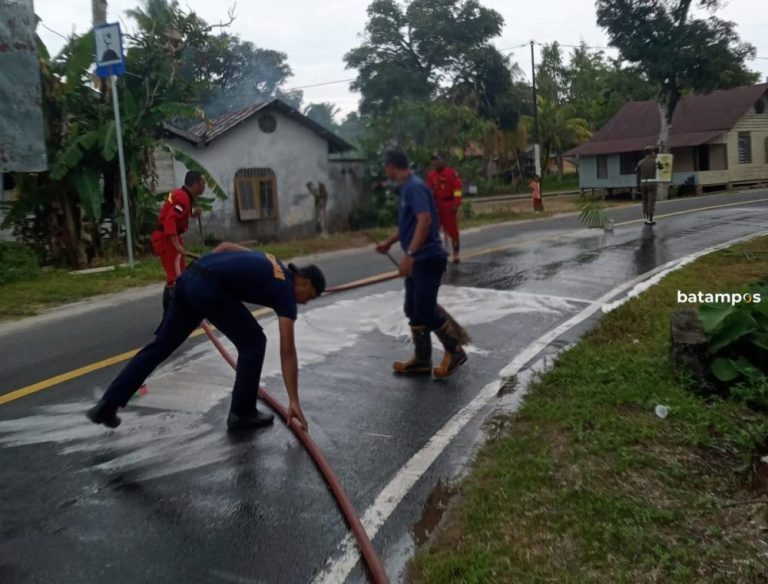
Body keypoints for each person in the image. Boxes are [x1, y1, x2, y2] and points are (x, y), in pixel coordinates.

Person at [86, 243, 326, 432]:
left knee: (161, 345)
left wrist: (204, 273)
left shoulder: (273, 261)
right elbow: (287, 350)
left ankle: (108, 404)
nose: (305, 302)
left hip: (191, 277)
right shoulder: (286, 292)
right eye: (311, 296)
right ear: (304, 282)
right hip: (208, 288)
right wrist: (294, 400)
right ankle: (242, 413)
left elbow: (225, 247)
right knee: (254, 342)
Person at [376, 148, 468, 378]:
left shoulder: (414, 187)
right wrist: (388, 243)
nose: (385, 171)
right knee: (413, 309)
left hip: (427, 259)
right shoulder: (408, 187)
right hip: (419, 258)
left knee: (425, 309)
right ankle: (422, 360)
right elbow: (409, 225)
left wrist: (410, 254)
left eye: (386, 167)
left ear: (391, 166)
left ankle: (455, 351)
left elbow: (424, 220)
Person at [151, 171, 207, 311]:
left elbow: (177, 214)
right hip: (167, 239)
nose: (204, 186)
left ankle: (180, 311)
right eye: (203, 183)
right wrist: (176, 245)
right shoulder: (182, 198)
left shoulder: (181, 195)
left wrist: (192, 214)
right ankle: (170, 313)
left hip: (171, 237)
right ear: (195, 184)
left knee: (180, 274)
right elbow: (170, 220)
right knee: (175, 278)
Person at [426, 153, 463, 264]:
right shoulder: (431, 175)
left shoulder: (451, 173)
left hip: (449, 205)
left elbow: (457, 189)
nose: (435, 162)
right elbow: (428, 192)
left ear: (443, 160)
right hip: (436, 206)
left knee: (453, 230)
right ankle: (436, 254)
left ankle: (456, 254)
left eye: (437, 159)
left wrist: (456, 203)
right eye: (434, 160)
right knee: (433, 231)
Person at [636, 147, 663, 225]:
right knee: (651, 201)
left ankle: (645, 218)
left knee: (645, 201)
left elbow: (637, 171)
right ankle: (650, 219)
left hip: (643, 183)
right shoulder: (655, 161)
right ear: (651, 153)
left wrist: (638, 183)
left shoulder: (640, 162)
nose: (655, 153)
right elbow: (661, 167)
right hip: (652, 183)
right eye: (654, 152)